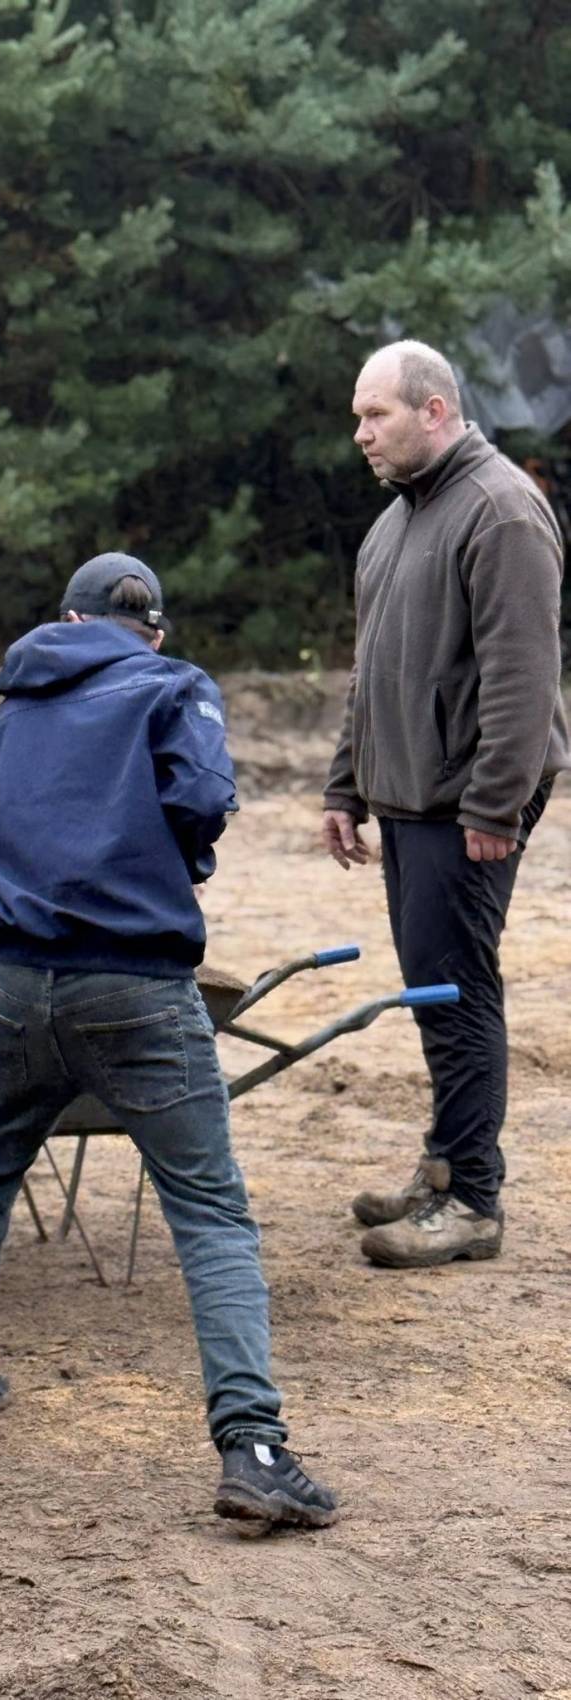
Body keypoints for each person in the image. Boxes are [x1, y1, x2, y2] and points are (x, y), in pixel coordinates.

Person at [0, 552, 338, 1532]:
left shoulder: (11, 711)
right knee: (210, 1210)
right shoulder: (174, 686)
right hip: (135, 983)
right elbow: (204, 798)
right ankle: (255, 1449)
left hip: (16, 979)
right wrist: (173, 861)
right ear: (156, 630)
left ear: (66, 620)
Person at [323, 340, 569, 1268]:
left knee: (456, 991)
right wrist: (345, 784)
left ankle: (470, 1201)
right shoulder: (394, 523)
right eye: (356, 416)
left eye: (374, 414)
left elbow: (522, 675)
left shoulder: (500, 511)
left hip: (467, 799)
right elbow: (369, 672)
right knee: (435, 987)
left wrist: (494, 807)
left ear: (433, 411)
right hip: (407, 795)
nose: (360, 434)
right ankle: (442, 1167)